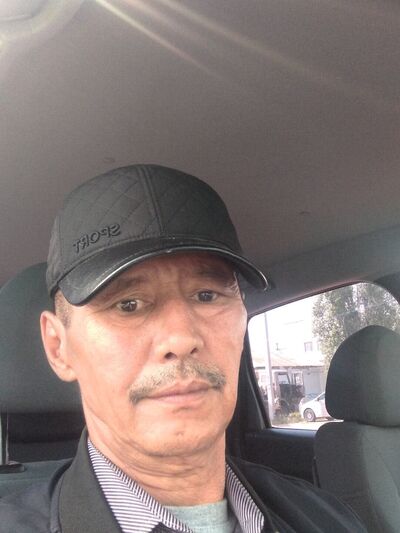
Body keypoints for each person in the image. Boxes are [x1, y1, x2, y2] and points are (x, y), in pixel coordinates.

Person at [0, 165, 365, 532]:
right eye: (128, 305)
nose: (181, 338)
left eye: (207, 295)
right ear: (58, 347)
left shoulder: (327, 519)